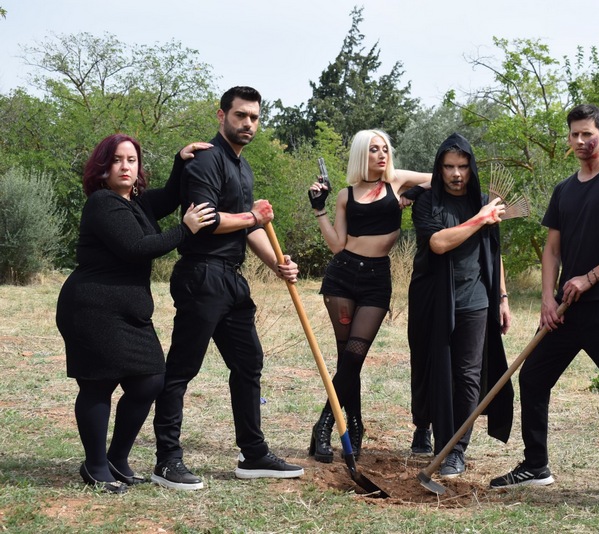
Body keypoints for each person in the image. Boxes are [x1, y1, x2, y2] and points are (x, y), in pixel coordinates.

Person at [490, 104, 599, 493]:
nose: (580, 141)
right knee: (533, 377)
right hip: (565, 309)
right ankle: (536, 466)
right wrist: (547, 300)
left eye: (587, 134)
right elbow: (552, 250)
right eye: (574, 134)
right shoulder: (564, 189)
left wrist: (590, 277)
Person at [152, 86, 304, 490]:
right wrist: (252, 215)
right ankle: (167, 460)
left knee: (249, 363)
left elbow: (248, 227)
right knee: (182, 369)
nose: (248, 124)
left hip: (232, 279)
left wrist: (276, 264)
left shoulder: (243, 167)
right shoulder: (205, 160)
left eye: (254, 117)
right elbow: (207, 220)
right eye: (240, 115)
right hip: (201, 274)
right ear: (222, 116)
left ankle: (253, 454)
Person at [56, 134, 215, 493]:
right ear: (103, 167)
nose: (125, 166)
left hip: (127, 313)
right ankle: (96, 466)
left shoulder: (137, 203)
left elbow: (171, 195)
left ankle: (117, 458)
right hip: (92, 308)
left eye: (131, 160)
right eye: (117, 160)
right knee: (98, 385)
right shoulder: (103, 202)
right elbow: (136, 247)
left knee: (150, 381)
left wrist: (180, 160)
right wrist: (185, 230)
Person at [306, 129, 431, 462]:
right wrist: (318, 209)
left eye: (385, 149)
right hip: (342, 276)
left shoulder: (396, 181)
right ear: (362, 154)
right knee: (348, 361)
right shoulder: (345, 195)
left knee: (354, 356)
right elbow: (336, 245)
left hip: (377, 280)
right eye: (374, 149)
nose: (382, 154)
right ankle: (354, 426)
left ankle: (324, 424)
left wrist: (416, 191)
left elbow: (441, 177)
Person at [408, 132, 513, 477]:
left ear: (471, 168)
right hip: (433, 299)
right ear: (439, 169)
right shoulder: (427, 203)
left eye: (463, 166)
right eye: (449, 166)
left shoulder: (483, 201)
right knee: (433, 369)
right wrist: (480, 218)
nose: (456, 174)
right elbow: (438, 243)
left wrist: (502, 297)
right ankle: (426, 426)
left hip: (476, 299)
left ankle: (455, 449)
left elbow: (493, 251)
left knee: (468, 375)